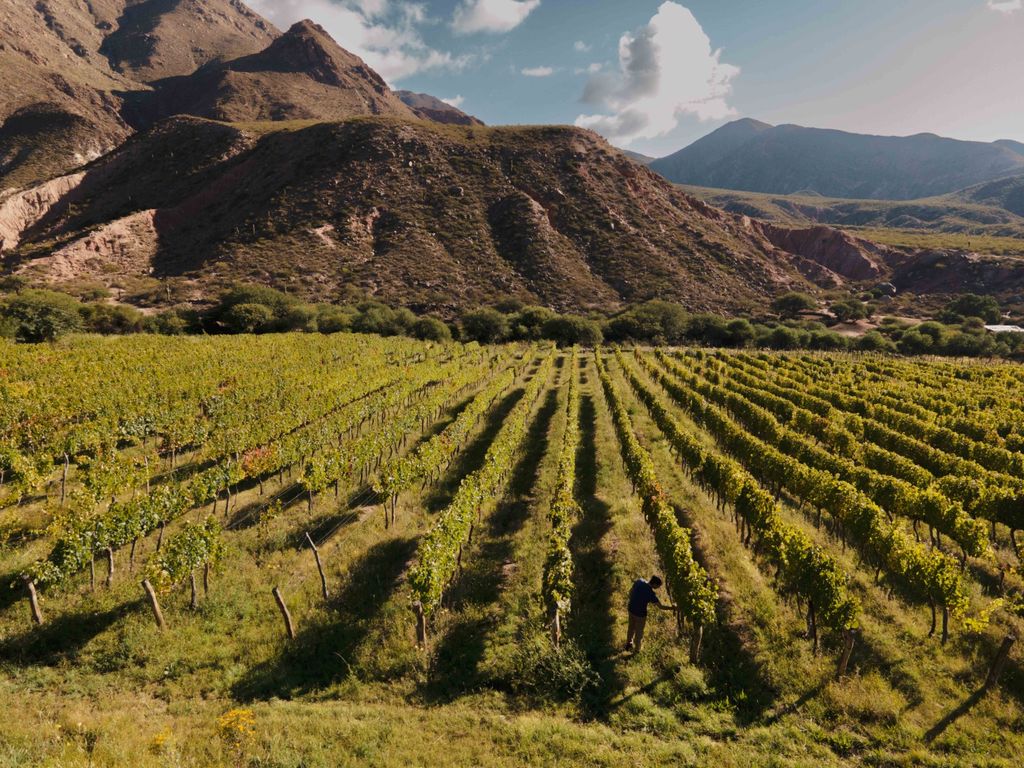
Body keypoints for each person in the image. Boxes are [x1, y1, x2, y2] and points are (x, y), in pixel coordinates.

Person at [625, 575, 675, 653]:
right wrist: (673, 608)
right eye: (658, 586)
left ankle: (628, 644)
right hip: (640, 615)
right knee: (639, 633)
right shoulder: (650, 593)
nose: (658, 588)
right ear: (655, 584)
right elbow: (661, 607)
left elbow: (630, 591)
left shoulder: (639, 581)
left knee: (631, 627)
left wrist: (633, 601)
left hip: (631, 609)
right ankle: (637, 650)